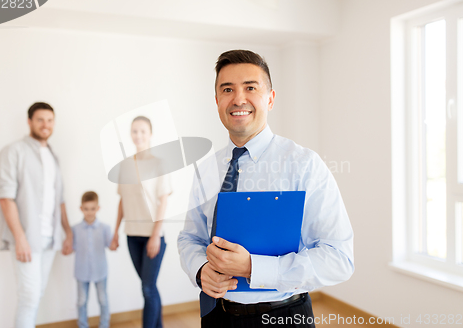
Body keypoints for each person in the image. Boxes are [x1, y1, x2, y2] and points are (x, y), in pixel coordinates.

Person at [177, 50, 354, 328]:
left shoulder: (304, 164)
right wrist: (200, 271)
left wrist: (253, 268)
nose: (238, 99)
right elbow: (190, 238)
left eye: (250, 87)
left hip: (282, 317)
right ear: (217, 101)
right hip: (215, 314)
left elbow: (338, 257)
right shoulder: (206, 170)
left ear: (270, 99)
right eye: (227, 89)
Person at [0, 102, 73, 328]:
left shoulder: (53, 156)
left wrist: (67, 232)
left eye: (50, 120)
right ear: (29, 121)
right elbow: (5, 198)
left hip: (51, 239)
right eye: (40, 120)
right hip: (27, 237)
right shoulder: (13, 151)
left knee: (36, 294)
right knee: (29, 297)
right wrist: (20, 239)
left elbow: (60, 199)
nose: (45, 125)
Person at [110, 115, 172, 328]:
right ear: (131, 134)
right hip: (131, 235)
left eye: (142, 131)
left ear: (150, 134)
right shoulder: (125, 165)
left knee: (147, 288)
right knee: (149, 287)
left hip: (152, 237)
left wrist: (155, 236)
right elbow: (122, 200)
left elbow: (163, 202)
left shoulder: (159, 164)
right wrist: (115, 232)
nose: (138, 135)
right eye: (135, 131)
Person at [72, 191, 113, 328]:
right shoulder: (75, 230)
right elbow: (70, 247)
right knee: (81, 301)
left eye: (93, 208)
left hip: (100, 271)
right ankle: (83, 325)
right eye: (86, 209)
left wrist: (114, 243)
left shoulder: (105, 228)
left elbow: (111, 245)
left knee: (103, 300)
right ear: (81, 208)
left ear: (98, 208)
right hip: (81, 272)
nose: (89, 212)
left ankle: (104, 325)